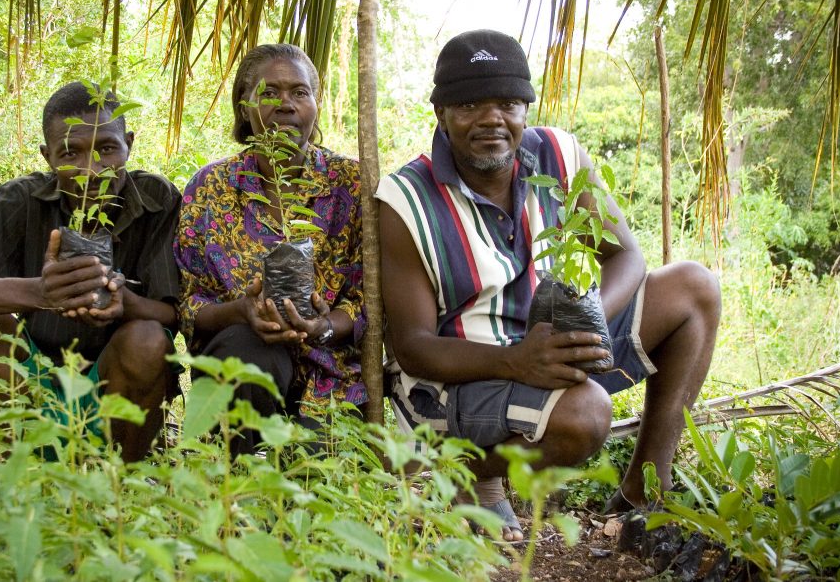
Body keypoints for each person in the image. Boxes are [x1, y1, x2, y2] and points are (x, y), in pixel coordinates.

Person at [376, 30, 721, 541]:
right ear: (441, 114)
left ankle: (644, 492)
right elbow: (413, 348)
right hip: (463, 376)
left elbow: (626, 254)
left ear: (525, 110)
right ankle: (473, 473)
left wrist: (588, 323)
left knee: (694, 287)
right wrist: (516, 361)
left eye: (509, 103)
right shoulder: (405, 199)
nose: (493, 119)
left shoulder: (558, 156)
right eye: (470, 104)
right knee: (585, 416)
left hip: (547, 347)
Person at [0, 81, 181, 462]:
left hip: (115, 378)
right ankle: (16, 480)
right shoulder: (22, 199)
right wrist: (40, 293)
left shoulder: (158, 200)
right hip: (27, 375)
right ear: (48, 157)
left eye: (107, 148)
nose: (92, 170)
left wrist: (127, 303)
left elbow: (174, 312)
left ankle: (122, 484)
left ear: (129, 145)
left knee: (148, 339)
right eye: (70, 152)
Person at [174, 43, 366, 455]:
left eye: (299, 92)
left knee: (311, 480)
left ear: (316, 105)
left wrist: (323, 326)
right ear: (244, 108)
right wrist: (242, 312)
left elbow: (371, 299)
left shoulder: (350, 183)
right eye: (268, 92)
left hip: (331, 372)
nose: (285, 104)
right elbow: (189, 302)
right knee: (249, 356)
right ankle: (239, 469)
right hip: (247, 361)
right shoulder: (211, 188)